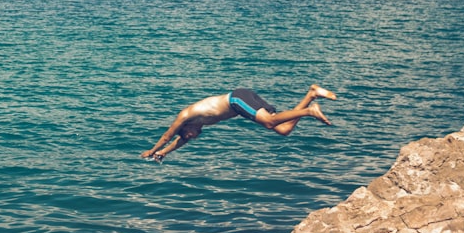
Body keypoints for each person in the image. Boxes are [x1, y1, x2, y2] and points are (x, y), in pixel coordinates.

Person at [141, 84, 337, 162]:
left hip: (237, 99)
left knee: (269, 123)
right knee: (284, 129)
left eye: (188, 135)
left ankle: (310, 111)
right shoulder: (195, 125)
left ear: (185, 128)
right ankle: (311, 94)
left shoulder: (186, 116)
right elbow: (178, 141)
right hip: (242, 103)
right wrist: (163, 153)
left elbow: (169, 136)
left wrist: (152, 150)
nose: (192, 137)